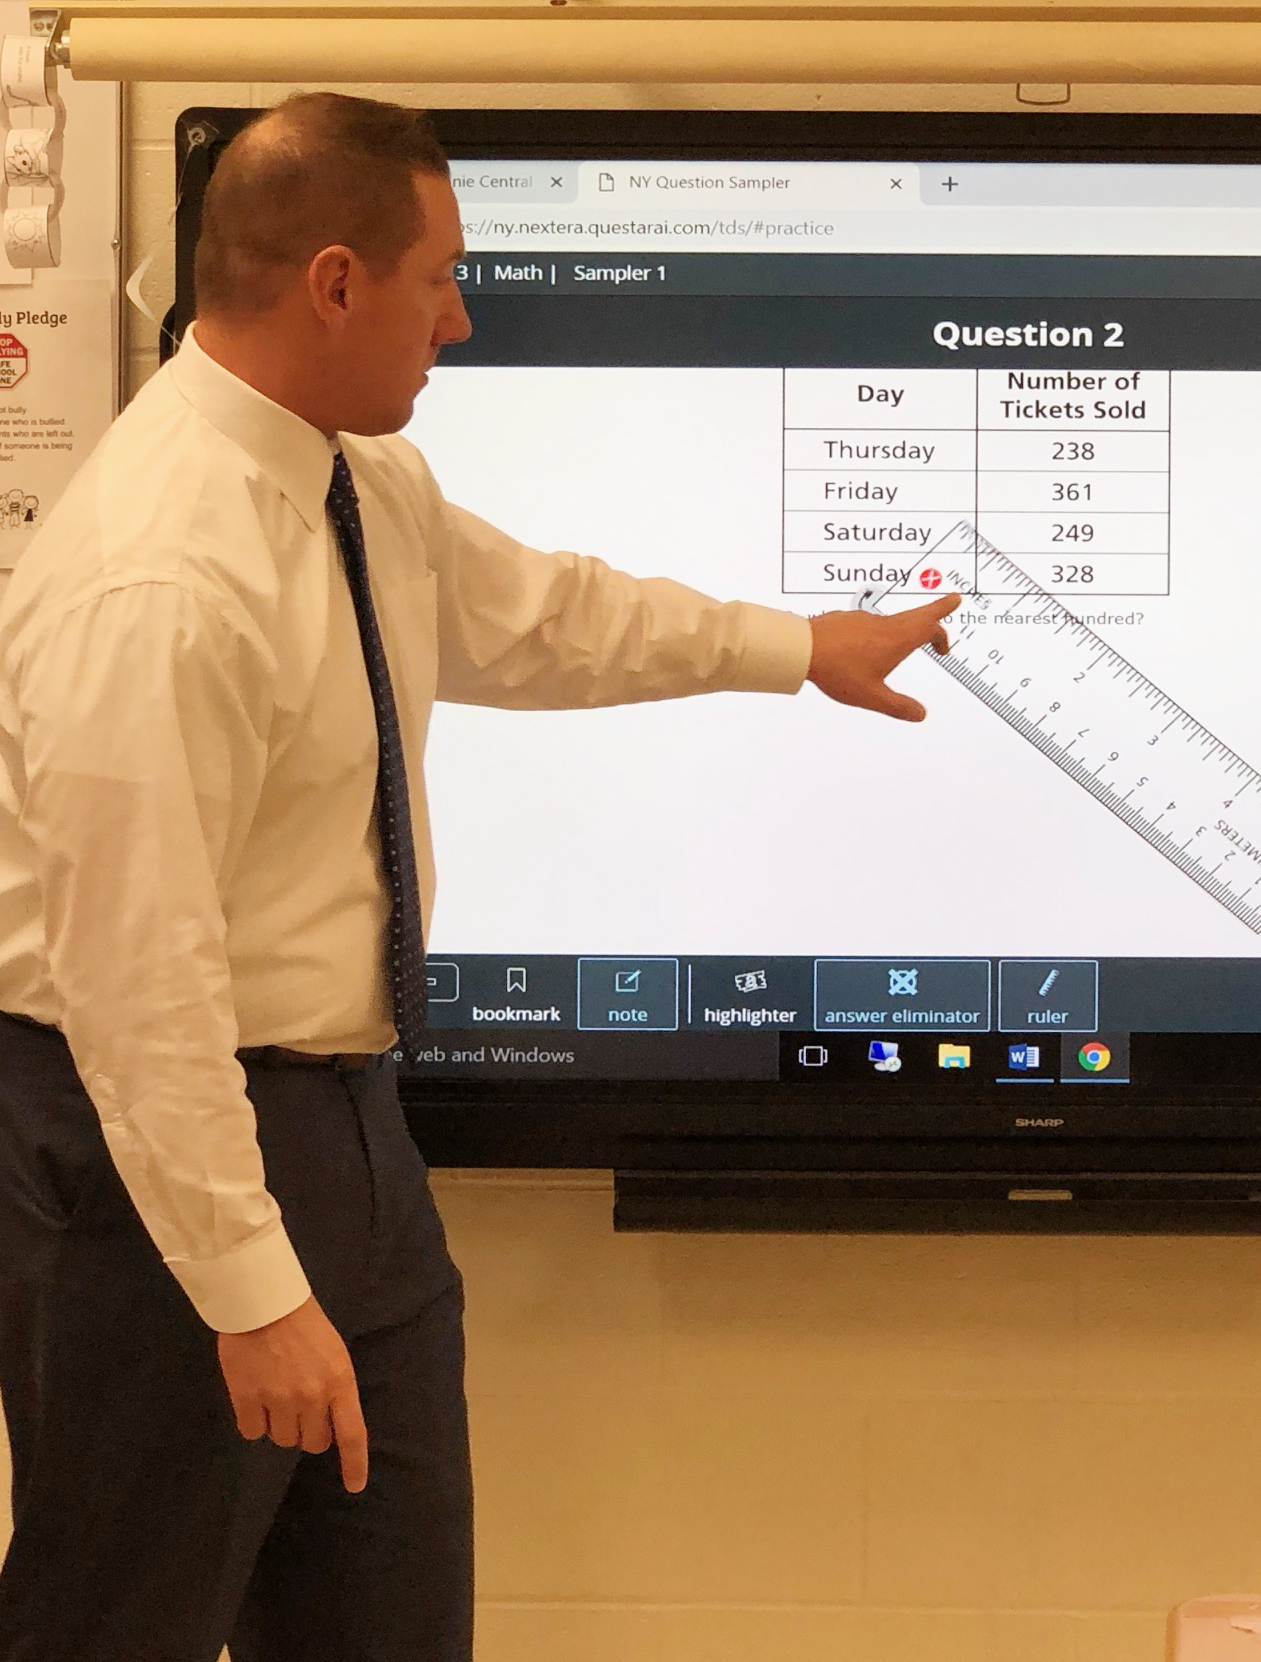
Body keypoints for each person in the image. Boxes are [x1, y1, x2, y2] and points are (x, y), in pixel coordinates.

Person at [0, 92, 958, 1662]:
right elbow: (134, 984)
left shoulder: (349, 477)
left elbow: (546, 618)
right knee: (119, 1622)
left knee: (388, 1619)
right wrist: (249, 1290)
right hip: (152, 1165)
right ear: (332, 282)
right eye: (440, 275)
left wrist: (801, 649)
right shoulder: (160, 574)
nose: (459, 314)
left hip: (350, 1134)